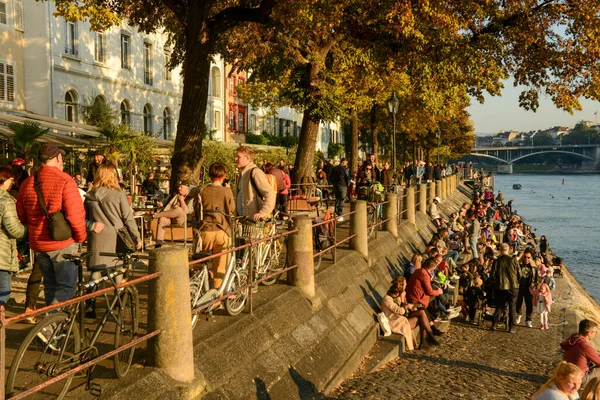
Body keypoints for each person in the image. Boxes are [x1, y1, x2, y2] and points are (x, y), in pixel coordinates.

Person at [16, 143, 87, 306]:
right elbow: (75, 215)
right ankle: (49, 327)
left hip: (38, 244)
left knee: (50, 286)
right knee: (67, 286)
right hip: (61, 243)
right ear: (57, 158)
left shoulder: (27, 183)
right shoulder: (65, 181)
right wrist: (80, 237)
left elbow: (21, 215)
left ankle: (53, 327)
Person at [84, 164, 142, 317]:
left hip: (97, 236)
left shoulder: (90, 195)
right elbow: (128, 218)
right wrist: (137, 237)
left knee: (96, 271)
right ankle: (119, 299)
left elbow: (82, 219)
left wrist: (91, 225)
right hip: (117, 237)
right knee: (117, 268)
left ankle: (90, 303)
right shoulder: (118, 194)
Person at [198, 162, 236, 289]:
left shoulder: (202, 189)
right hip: (222, 231)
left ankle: (199, 289)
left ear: (209, 175)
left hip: (205, 231)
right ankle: (216, 297)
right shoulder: (226, 191)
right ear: (224, 175)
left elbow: (192, 194)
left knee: (200, 263)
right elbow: (232, 210)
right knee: (220, 266)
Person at [380, 277, 440, 350]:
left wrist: (409, 306)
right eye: (405, 284)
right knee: (422, 315)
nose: (406, 285)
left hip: (401, 319)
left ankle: (427, 338)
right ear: (401, 286)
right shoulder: (387, 299)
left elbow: (402, 307)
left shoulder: (397, 296)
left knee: (422, 312)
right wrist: (406, 304)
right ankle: (428, 337)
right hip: (395, 323)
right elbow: (400, 311)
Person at [0, 167, 27, 306]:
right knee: (2, 294)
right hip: (2, 253)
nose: (12, 183)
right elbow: (14, 229)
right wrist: (28, 230)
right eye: (10, 180)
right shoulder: (5, 200)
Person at [234, 146, 276, 221]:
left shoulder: (255, 172)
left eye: (238, 157)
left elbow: (270, 193)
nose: (235, 159)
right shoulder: (243, 173)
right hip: (243, 220)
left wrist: (263, 213)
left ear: (247, 158)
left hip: (254, 221)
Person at [153, 180, 195, 248]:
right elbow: (165, 201)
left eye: (181, 187)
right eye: (179, 187)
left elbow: (187, 211)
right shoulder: (174, 195)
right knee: (162, 218)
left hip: (183, 220)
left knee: (179, 210)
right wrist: (161, 203)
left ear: (187, 188)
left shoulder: (191, 197)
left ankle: (158, 215)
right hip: (170, 218)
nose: (179, 188)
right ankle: (159, 242)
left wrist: (181, 200)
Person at [491, 243, 520, 332]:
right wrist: (517, 282)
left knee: (499, 305)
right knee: (512, 307)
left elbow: (492, 275)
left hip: (500, 286)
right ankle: (511, 327)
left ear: (500, 250)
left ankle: (494, 324)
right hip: (513, 286)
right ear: (508, 250)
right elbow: (519, 273)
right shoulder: (513, 260)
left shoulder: (497, 261)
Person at [561, 319, 600, 387]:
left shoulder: (572, 339)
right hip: (579, 379)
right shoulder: (584, 346)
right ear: (589, 333)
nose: (595, 334)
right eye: (595, 332)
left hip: (568, 374)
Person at [516, 249, 539, 328]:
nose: (526, 259)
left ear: (531, 257)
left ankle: (528, 320)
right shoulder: (519, 264)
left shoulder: (533, 266)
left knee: (529, 304)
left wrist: (535, 284)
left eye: (528, 257)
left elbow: (537, 277)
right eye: (525, 257)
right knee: (518, 303)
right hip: (520, 286)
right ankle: (519, 314)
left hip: (529, 287)